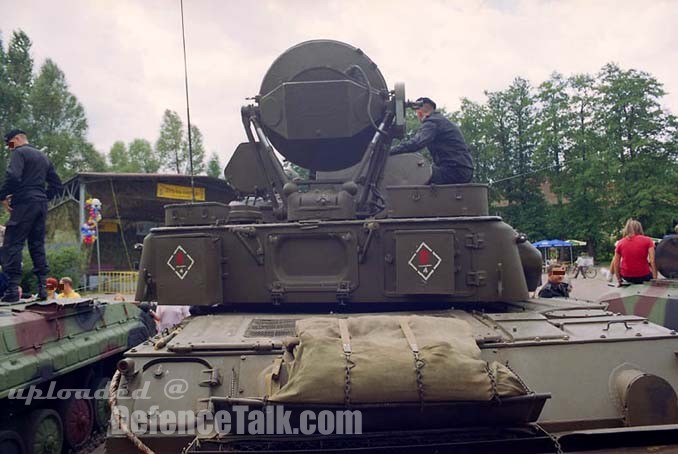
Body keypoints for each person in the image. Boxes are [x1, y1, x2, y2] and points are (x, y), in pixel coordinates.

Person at [1, 129, 62, 302]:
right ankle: (44, 288)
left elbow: (13, 176)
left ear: (18, 139)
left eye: (9, 144)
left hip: (24, 204)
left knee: (12, 243)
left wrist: (3, 196)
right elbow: (57, 185)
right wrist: (42, 197)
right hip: (40, 205)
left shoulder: (19, 152)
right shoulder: (43, 157)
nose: (9, 148)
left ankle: (12, 289)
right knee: (37, 244)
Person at [389, 97, 474, 184]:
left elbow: (417, 143)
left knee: (412, 172)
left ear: (419, 112)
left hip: (454, 171)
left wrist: (390, 151)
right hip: (461, 170)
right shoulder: (440, 120)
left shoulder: (432, 122)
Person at [612, 218, 657, 285]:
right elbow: (652, 260)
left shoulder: (620, 243)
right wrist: (655, 278)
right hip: (643, 276)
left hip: (627, 276)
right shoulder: (648, 241)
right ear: (640, 228)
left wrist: (619, 280)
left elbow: (616, 263)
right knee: (648, 271)